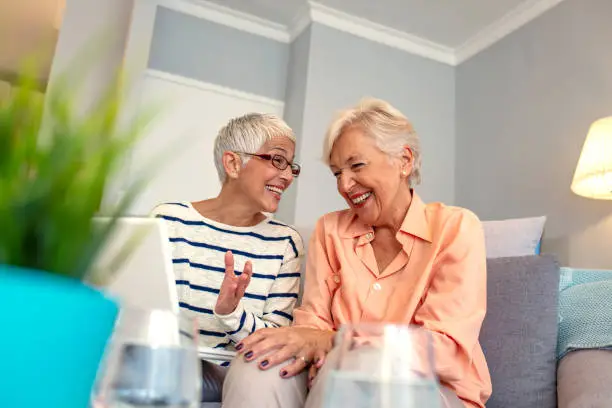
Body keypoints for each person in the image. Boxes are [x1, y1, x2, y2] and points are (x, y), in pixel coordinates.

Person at [222, 98, 492, 408]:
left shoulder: (456, 228)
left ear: (404, 160)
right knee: (257, 364)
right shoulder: (330, 230)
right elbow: (313, 324)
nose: (345, 185)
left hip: (432, 391)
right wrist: (311, 341)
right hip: (329, 380)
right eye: (337, 173)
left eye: (356, 165)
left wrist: (338, 342)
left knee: (351, 370)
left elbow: (445, 351)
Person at [151, 113, 304, 401]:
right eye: (277, 160)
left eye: (291, 166)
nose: (286, 176)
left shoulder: (285, 243)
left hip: (230, 374)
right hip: (165, 360)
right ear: (234, 163)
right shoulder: (169, 220)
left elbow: (276, 339)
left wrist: (232, 314)